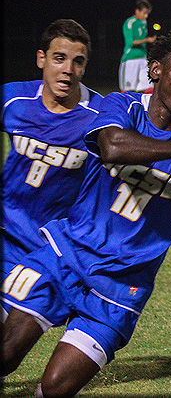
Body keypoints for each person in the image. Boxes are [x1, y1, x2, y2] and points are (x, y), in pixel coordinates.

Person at [1, 30, 171, 397]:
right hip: (66, 254)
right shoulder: (123, 107)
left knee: (55, 389)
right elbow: (113, 147)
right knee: (5, 354)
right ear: (157, 70)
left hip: (121, 289)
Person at [1, 19, 103, 321]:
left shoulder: (100, 116)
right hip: (6, 235)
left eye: (78, 62)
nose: (68, 70)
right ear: (41, 59)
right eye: (59, 58)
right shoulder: (14, 100)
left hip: (53, 249)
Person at [119, 0, 157, 92]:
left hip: (143, 58)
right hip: (131, 59)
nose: (146, 16)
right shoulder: (130, 22)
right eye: (144, 13)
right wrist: (147, 40)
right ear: (137, 11)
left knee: (149, 88)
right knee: (127, 90)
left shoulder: (144, 23)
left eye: (147, 13)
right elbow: (131, 42)